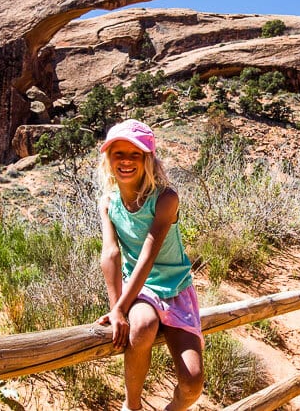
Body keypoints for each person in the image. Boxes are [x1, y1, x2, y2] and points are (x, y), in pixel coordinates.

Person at [95, 119, 204, 411]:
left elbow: (148, 254)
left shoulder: (165, 198)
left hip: (175, 289)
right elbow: (110, 253)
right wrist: (117, 307)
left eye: (136, 154)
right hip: (139, 289)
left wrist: (120, 308)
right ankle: (132, 406)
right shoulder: (108, 202)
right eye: (119, 154)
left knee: (192, 383)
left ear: (148, 159)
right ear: (108, 159)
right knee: (141, 325)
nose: (127, 161)